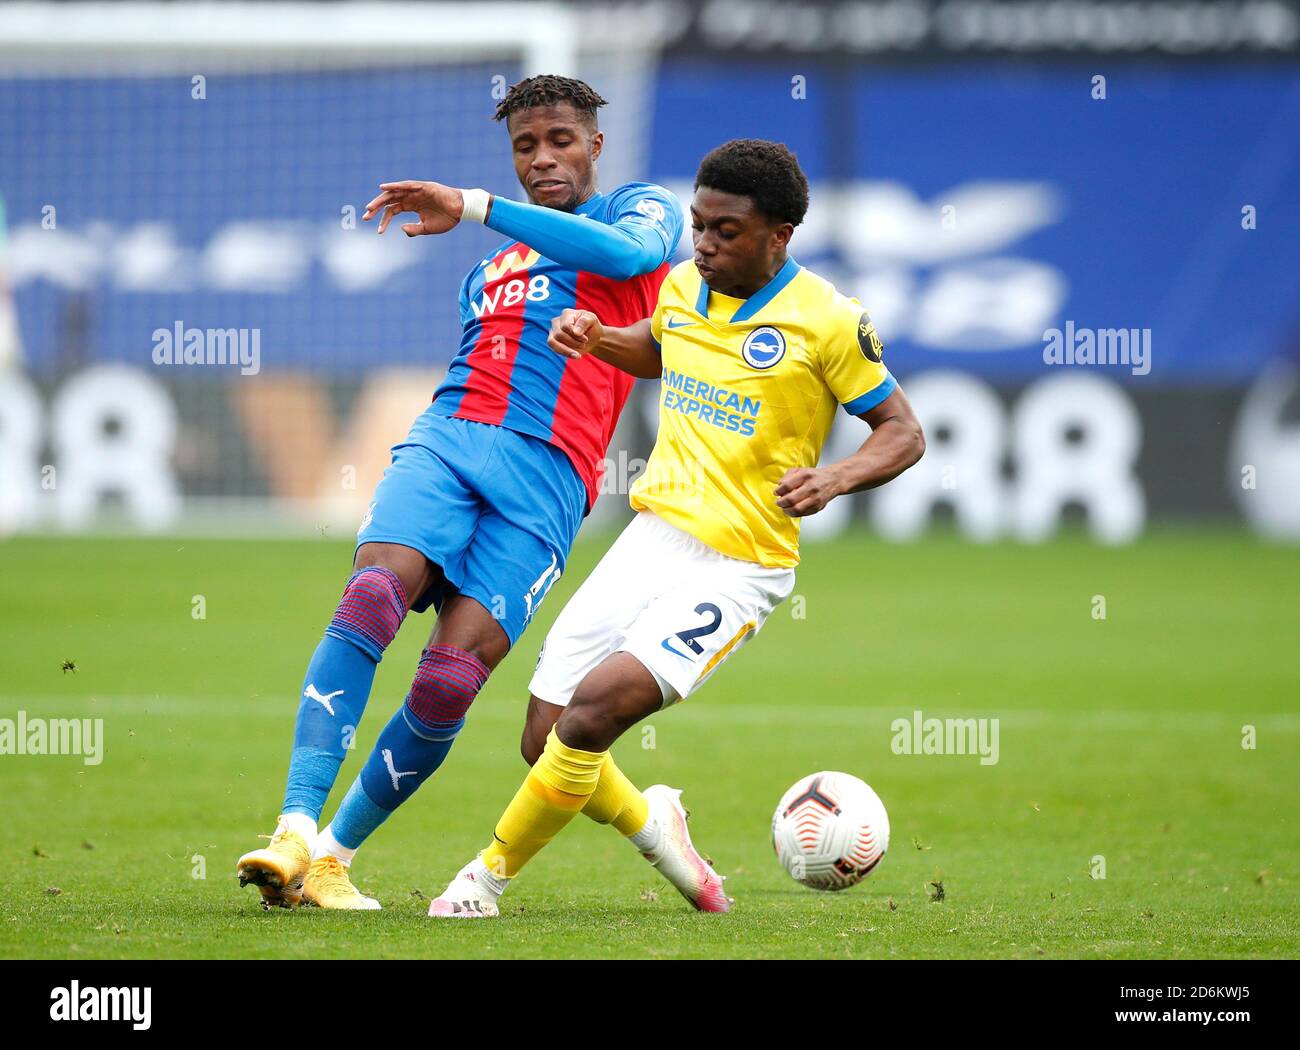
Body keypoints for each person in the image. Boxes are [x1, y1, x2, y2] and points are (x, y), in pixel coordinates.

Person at [427, 138, 925, 917]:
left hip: (740, 563)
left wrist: (834, 477)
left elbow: (902, 430)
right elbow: (659, 351)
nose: (704, 244)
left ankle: (483, 879)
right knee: (545, 737)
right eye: (698, 225)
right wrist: (598, 339)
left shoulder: (828, 320)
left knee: (594, 712)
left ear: (778, 235)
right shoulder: (685, 286)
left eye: (726, 231)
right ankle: (659, 828)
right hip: (653, 537)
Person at [236, 75, 683, 909]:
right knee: (373, 595)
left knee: (450, 679)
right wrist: (484, 220)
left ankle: (331, 859)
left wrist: (474, 202)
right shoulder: (491, 266)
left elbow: (628, 262)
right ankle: (293, 828)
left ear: (595, 144)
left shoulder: (640, 211)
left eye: (559, 140)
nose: (543, 158)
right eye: (525, 146)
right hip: (451, 442)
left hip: (550, 482)